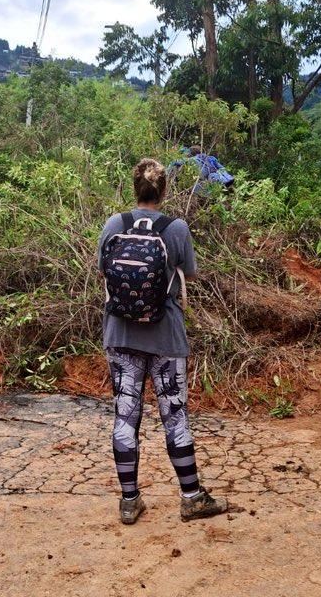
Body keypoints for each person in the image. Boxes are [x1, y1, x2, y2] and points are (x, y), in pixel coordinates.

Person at [97, 158, 228, 524]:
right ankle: (191, 497)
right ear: (164, 190)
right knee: (175, 414)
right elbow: (191, 272)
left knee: (126, 414)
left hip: (120, 333)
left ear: (133, 187)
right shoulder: (176, 228)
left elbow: (102, 270)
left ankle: (128, 501)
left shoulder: (114, 224)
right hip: (166, 335)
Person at [168, 146, 234, 196]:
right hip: (217, 180)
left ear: (191, 154)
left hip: (204, 185)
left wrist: (167, 172)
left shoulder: (192, 159)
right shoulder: (211, 158)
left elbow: (175, 162)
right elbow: (222, 168)